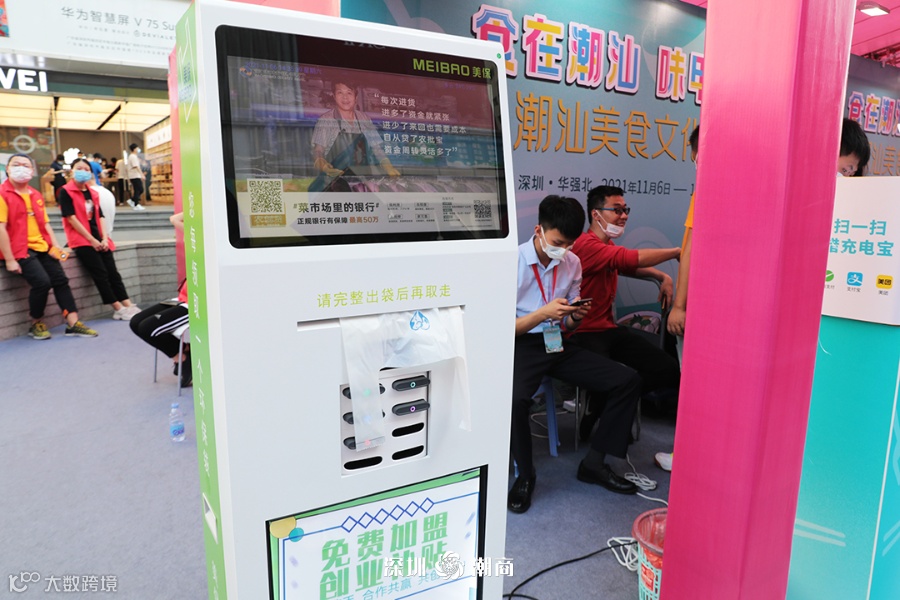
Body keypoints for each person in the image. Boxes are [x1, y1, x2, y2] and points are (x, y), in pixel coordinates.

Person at [509, 195, 642, 514]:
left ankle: (594, 464)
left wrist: (575, 317)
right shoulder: (510, 263)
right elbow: (501, 329)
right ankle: (525, 475)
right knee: (514, 399)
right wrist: (542, 314)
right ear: (539, 230)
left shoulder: (572, 262)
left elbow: (567, 322)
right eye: (558, 243)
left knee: (627, 380)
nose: (564, 250)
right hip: (522, 342)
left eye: (570, 244)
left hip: (557, 341)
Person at [568, 185, 681, 429]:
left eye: (625, 210)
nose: (624, 216)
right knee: (611, 378)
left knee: (668, 368)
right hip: (582, 333)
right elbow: (628, 259)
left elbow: (626, 266)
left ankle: (609, 402)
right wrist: (676, 252)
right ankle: (608, 403)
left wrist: (662, 276)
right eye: (617, 210)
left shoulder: (606, 246)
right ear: (596, 214)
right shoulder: (587, 245)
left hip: (609, 330)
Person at [0, 153, 98, 339]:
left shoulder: (35, 194)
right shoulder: (2, 194)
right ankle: (36, 323)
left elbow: (45, 224)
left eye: (26, 165)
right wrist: (10, 260)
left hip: (42, 246)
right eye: (17, 164)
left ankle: (73, 323)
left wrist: (55, 246)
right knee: (42, 283)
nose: (21, 168)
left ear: (32, 171)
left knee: (61, 280)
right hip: (20, 249)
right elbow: (1, 228)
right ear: (8, 169)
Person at [58, 158, 139, 321]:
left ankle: (128, 304)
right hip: (81, 240)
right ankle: (118, 308)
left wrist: (104, 238)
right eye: (79, 168)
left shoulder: (93, 193)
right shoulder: (65, 191)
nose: (83, 171)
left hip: (99, 237)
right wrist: (91, 240)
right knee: (100, 274)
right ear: (72, 171)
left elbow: (100, 216)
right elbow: (71, 218)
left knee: (113, 273)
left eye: (86, 169)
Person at [130, 213, 191, 388]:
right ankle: (185, 351)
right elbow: (174, 219)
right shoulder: (195, 234)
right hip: (180, 298)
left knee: (147, 328)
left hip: (195, 304)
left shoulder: (211, 241)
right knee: (136, 322)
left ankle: (182, 358)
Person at [309, 79, 400, 191]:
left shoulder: (364, 119)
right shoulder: (326, 120)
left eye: (349, 93)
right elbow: (318, 150)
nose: (345, 97)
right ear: (334, 95)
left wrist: (387, 164)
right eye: (340, 93)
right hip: (335, 182)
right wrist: (322, 164)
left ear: (356, 97)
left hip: (363, 181)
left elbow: (376, 148)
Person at [126, 143, 146, 211]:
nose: (138, 149)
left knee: (139, 189)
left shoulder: (133, 156)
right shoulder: (133, 157)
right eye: (137, 148)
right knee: (139, 189)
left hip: (134, 175)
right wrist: (142, 175)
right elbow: (136, 166)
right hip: (134, 176)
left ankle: (132, 200)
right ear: (134, 149)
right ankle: (136, 204)